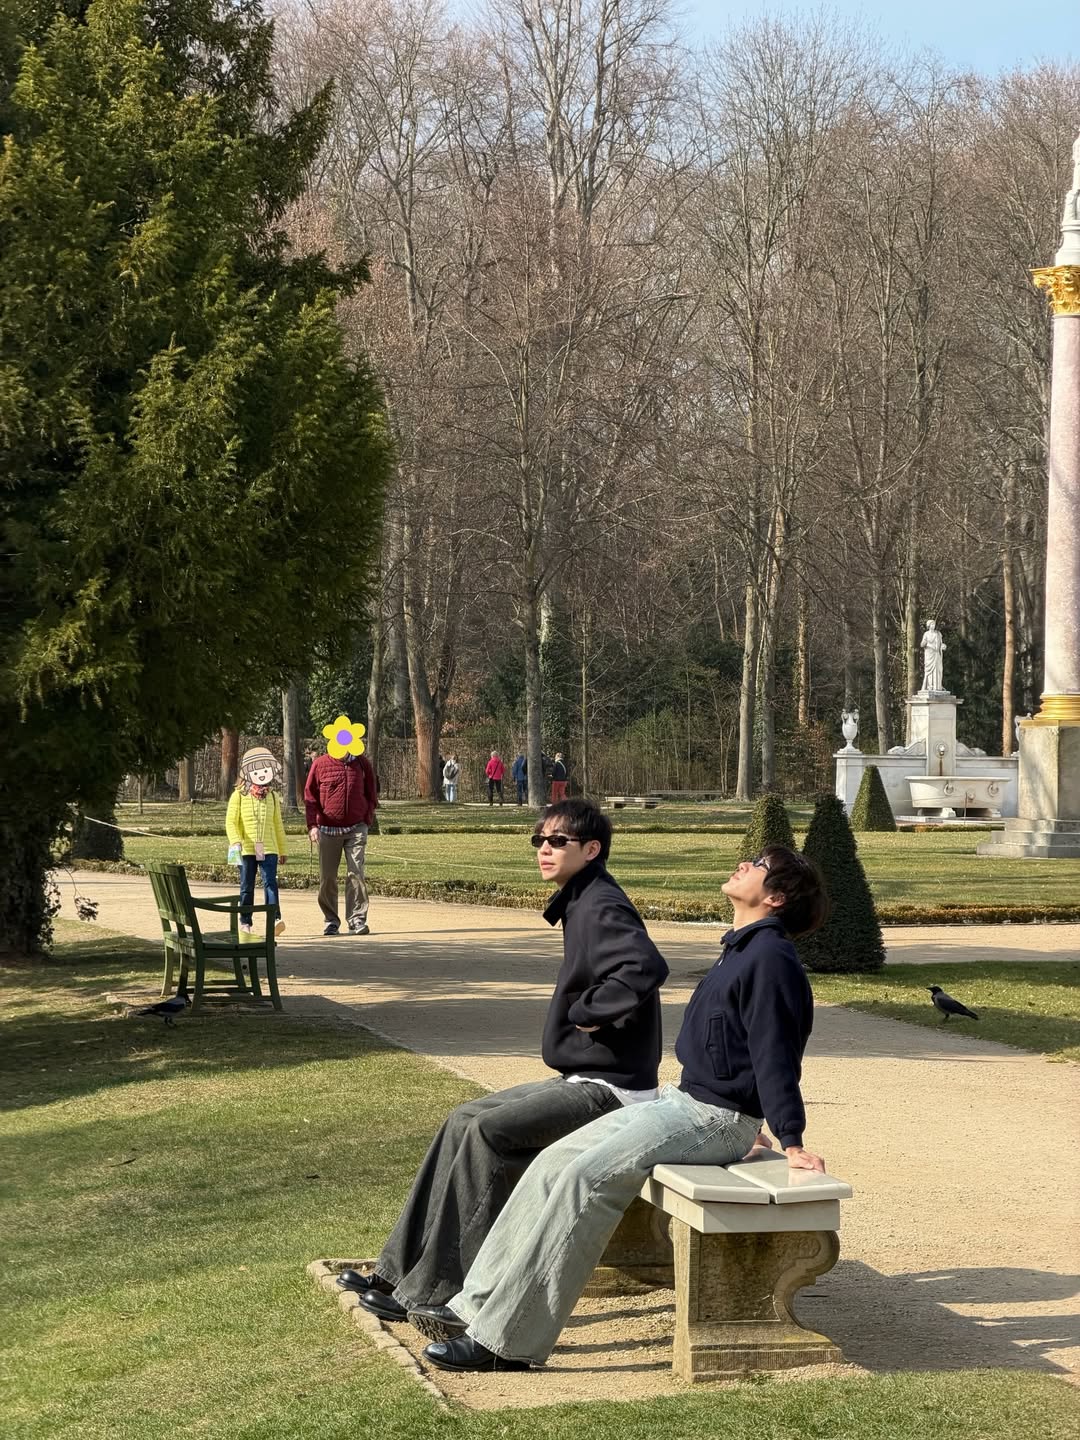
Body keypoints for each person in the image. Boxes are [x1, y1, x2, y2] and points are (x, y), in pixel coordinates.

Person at [416, 844, 829, 1373]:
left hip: (713, 1117)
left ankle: (506, 1341)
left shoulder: (771, 959)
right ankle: (471, 1307)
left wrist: (789, 1137)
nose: (744, 864)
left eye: (759, 866)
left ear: (776, 898)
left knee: (585, 1180)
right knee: (553, 1163)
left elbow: (776, 1053)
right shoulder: (742, 948)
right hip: (687, 1105)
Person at [335, 798, 669, 1332]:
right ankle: (397, 1273)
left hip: (613, 1090)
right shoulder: (582, 898)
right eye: (539, 840)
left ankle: (432, 1288)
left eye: (557, 841)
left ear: (591, 849)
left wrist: (587, 1013)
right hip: (583, 1077)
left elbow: (645, 966)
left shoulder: (601, 904)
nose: (544, 849)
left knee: (488, 1134)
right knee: (462, 1119)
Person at [304, 712, 378, 936]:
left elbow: (372, 793)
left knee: (356, 873)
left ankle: (357, 919)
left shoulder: (362, 764)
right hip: (327, 829)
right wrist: (312, 825)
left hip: (356, 827)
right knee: (327, 877)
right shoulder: (320, 764)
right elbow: (310, 796)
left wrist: (367, 818)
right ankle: (331, 920)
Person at [226, 746, 287, 937]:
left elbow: (278, 824)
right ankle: (245, 922)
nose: (261, 775)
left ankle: (275, 919)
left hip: (268, 848)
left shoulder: (273, 797)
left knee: (270, 883)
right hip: (246, 849)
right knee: (247, 886)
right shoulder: (238, 795)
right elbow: (231, 821)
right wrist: (236, 840)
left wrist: (282, 849)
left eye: (265, 770)